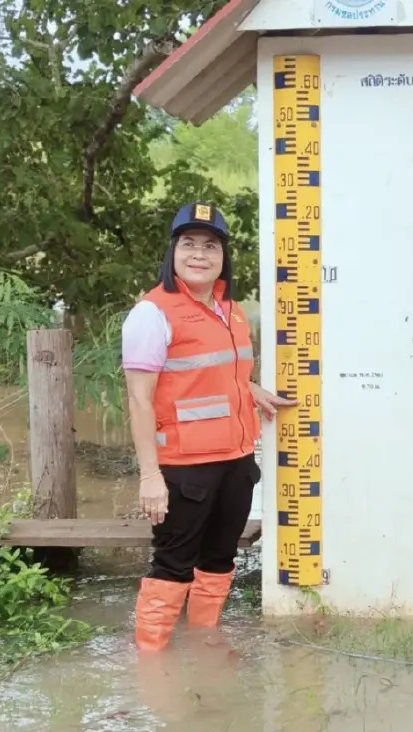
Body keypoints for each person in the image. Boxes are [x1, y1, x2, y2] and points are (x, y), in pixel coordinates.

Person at [121, 202, 294, 652]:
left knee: (220, 559)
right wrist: (149, 476)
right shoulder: (152, 312)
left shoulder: (228, 308)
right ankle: (150, 665)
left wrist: (250, 388)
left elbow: (214, 369)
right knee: (173, 565)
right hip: (183, 468)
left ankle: (203, 648)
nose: (200, 254)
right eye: (189, 244)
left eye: (211, 245)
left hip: (236, 461)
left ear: (223, 255)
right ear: (173, 251)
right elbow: (139, 398)